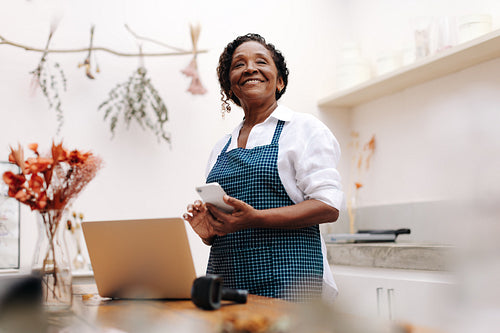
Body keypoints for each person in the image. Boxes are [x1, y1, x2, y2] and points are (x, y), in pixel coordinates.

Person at [183, 33, 343, 302]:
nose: (250, 68)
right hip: (228, 285)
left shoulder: (304, 129)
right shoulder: (221, 147)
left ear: (279, 81)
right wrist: (209, 232)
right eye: (238, 65)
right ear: (231, 86)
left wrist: (256, 218)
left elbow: (328, 206)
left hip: (291, 283)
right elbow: (229, 224)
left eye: (261, 61)